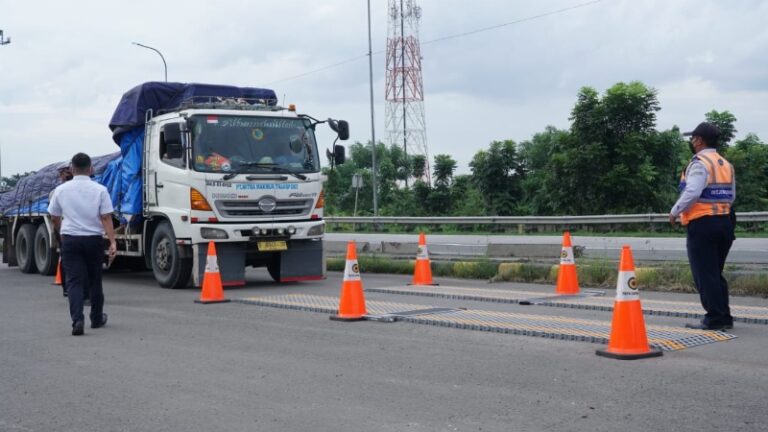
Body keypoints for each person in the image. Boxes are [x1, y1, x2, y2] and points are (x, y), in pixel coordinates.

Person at [669, 122, 736, 331]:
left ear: (699, 140)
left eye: (693, 138)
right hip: (725, 222)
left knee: (705, 274)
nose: (691, 142)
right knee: (715, 272)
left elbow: (692, 192)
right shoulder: (725, 163)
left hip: (703, 224)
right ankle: (724, 316)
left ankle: (714, 318)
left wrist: (675, 211)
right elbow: (732, 195)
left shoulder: (700, 163)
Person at [48, 153, 117, 336]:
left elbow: (54, 216)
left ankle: (77, 320)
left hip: (70, 238)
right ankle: (96, 318)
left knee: (74, 282)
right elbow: (106, 217)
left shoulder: (60, 190)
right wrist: (112, 242)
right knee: (95, 280)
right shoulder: (100, 190)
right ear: (91, 169)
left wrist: (62, 230)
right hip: (93, 239)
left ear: (71, 169)